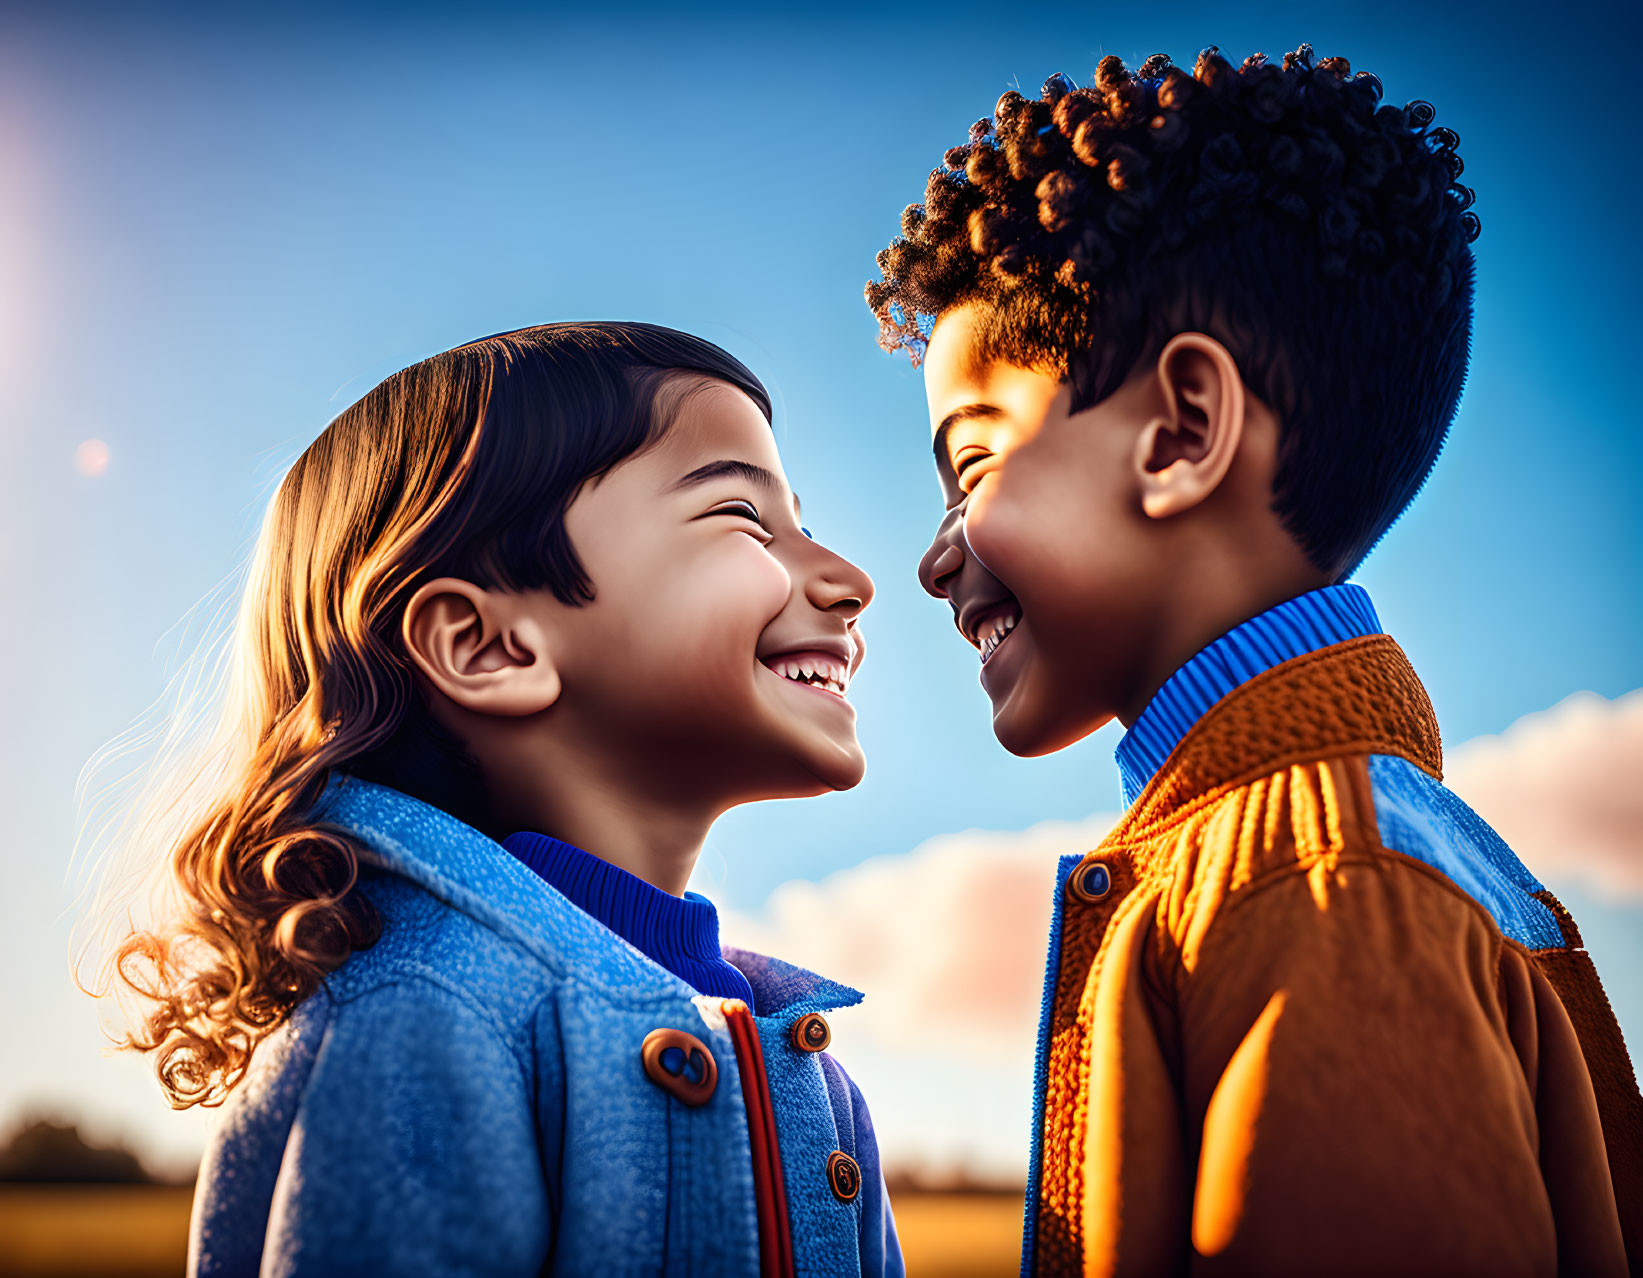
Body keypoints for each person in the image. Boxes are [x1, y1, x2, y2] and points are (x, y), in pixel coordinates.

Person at [866, 45, 1638, 1277]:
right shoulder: (1361, 849)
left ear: (1179, 432)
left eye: (971, 468)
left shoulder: (1317, 887)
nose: (933, 559)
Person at [94, 323, 903, 1276]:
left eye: (804, 526)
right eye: (742, 518)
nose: (850, 582)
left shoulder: (812, 1069)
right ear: (490, 648)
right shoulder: (420, 1022)